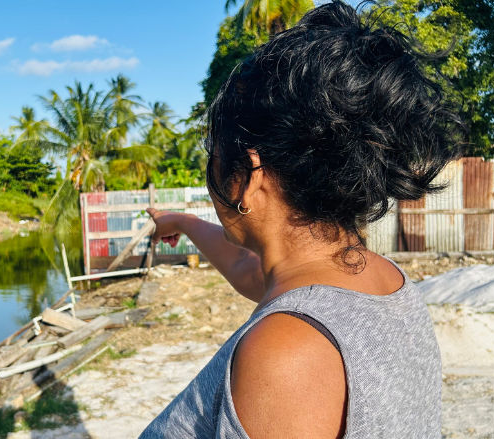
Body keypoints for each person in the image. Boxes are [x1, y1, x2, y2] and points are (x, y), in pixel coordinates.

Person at [139, 1, 462, 438]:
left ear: (251, 175)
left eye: (213, 154)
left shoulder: (286, 350)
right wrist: (183, 221)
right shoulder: (379, 280)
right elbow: (251, 271)